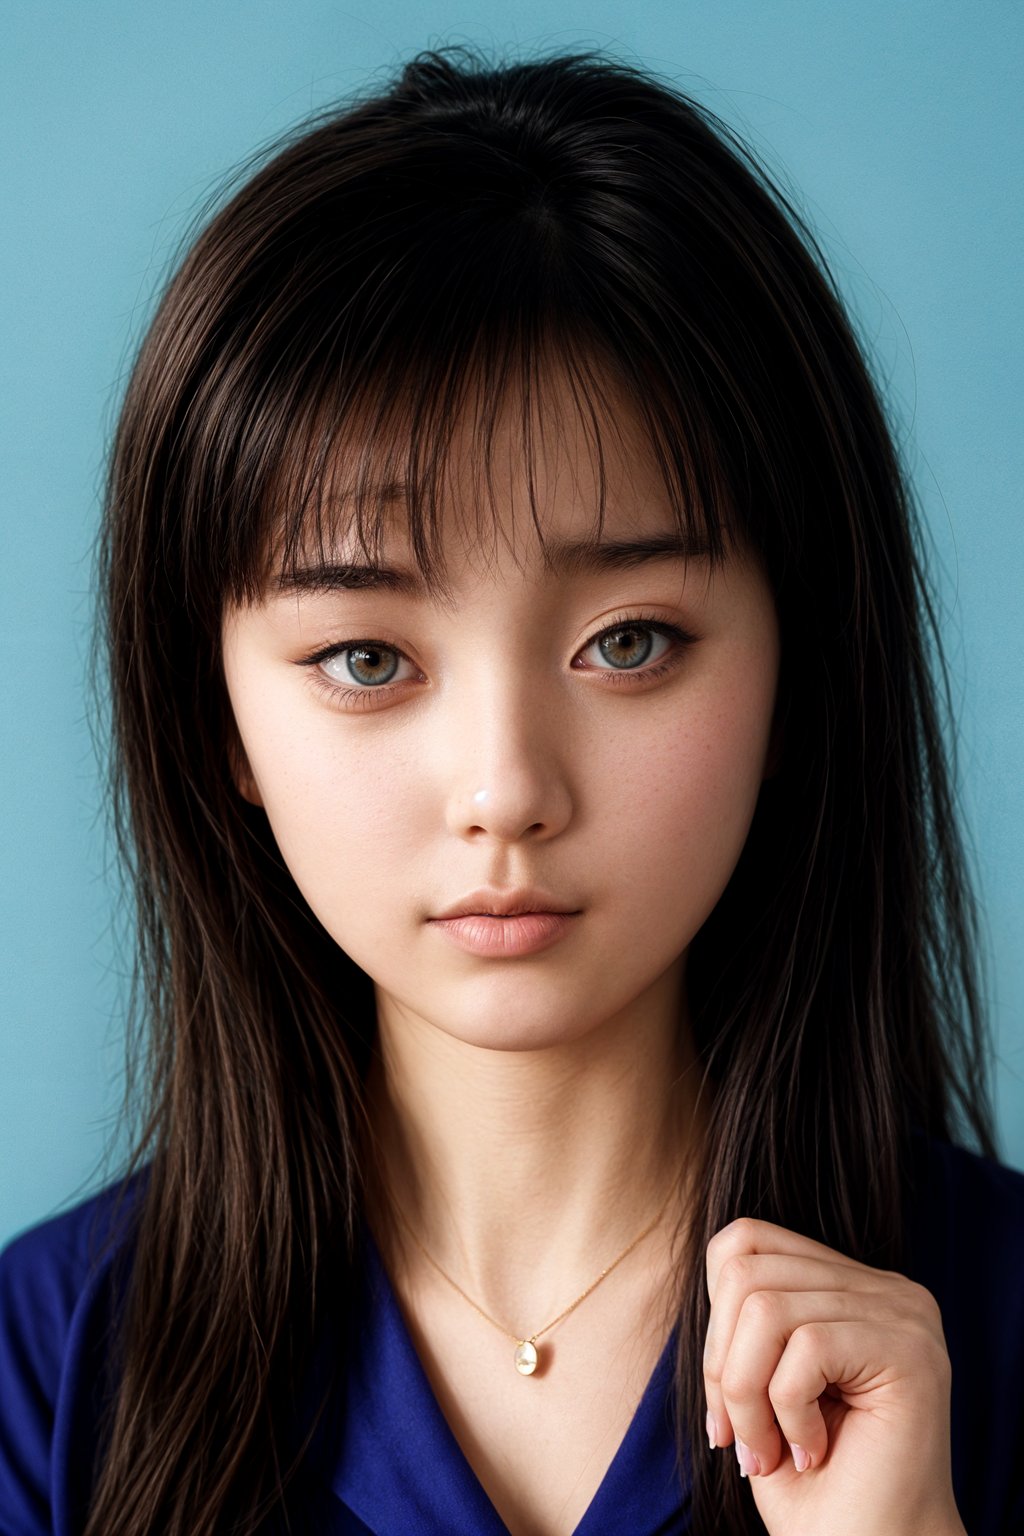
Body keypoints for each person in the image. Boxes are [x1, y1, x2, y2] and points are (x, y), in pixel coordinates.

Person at [0, 42, 1021, 1536]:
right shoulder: (51, 1365)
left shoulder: (990, 1325)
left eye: (627, 643)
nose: (506, 792)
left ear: (800, 663)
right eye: (364, 659)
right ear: (213, 710)